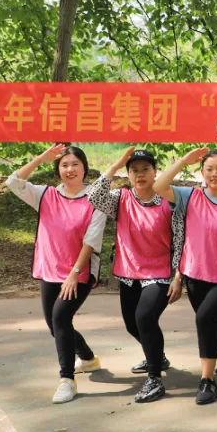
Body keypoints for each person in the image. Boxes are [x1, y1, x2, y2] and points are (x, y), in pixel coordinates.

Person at [154, 148, 217, 406]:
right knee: (213, 325)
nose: (214, 174)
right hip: (195, 274)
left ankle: (207, 380)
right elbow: (159, 186)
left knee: (204, 318)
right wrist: (183, 161)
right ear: (202, 172)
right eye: (209, 169)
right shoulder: (190, 196)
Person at [7, 144, 107, 405]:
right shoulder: (45, 195)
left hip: (79, 271)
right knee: (55, 324)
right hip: (49, 269)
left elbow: (92, 240)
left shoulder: (95, 198)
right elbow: (13, 182)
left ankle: (67, 380)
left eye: (75, 164)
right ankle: (88, 358)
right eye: (64, 165)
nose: (70, 169)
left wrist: (74, 273)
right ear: (57, 170)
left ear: (84, 168)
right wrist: (41, 158)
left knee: (61, 317)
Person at [88, 147, 175, 403]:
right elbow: (94, 196)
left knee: (145, 317)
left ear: (155, 171)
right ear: (128, 174)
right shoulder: (121, 198)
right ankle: (156, 356)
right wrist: (114, 166)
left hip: (159, 274)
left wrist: (179, 275)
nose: (140, 174)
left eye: (145, 169)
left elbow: (181, 239)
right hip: (128, 274)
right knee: (132, 324)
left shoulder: (169, 201)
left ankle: (154, 379)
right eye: (134, 170)